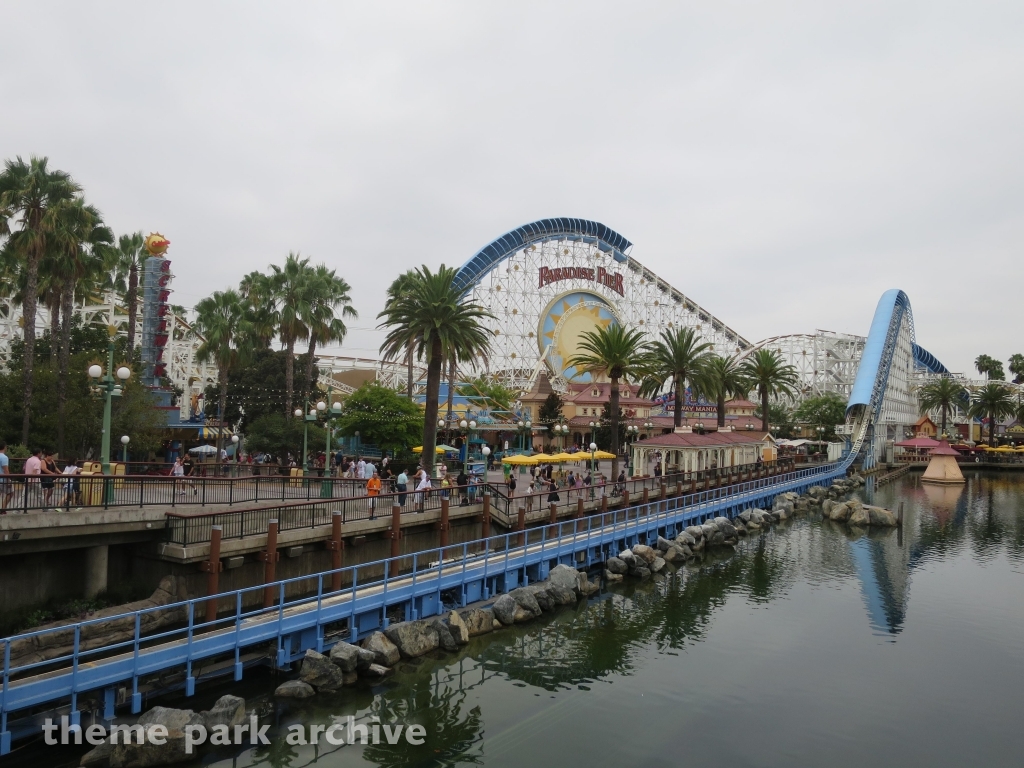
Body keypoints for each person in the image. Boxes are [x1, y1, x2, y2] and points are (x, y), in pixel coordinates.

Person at [0, 441, 12, 512]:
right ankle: (3, 508)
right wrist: (9, 480)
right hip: (2, 480)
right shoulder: (4, 457)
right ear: (4, 447)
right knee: (10, 493)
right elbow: (6, 470)